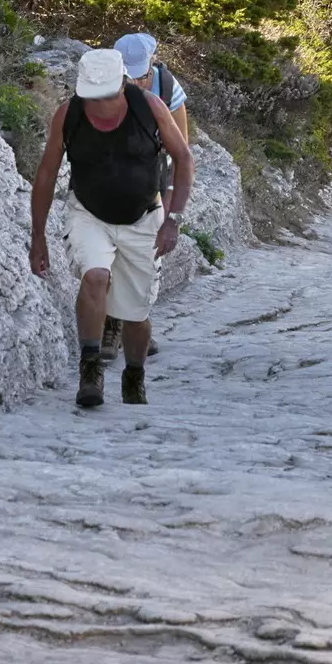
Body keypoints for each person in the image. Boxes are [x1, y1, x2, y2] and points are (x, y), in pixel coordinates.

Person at [29, 47, 193, 411]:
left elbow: (183, 158)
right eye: (93, 97)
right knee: (95, 276)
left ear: (122, 85)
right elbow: (46, 175)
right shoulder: (67, 115)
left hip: (143, 217)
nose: (100, 104)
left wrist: (173, 220)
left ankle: (134, 373)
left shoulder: (149, 108)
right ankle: (90, 370)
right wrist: (38, 236)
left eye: (107, 95)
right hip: (88, 212)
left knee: (136, 314)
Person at [103, 31, 190, 360]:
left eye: (140, 73)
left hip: (155, 178)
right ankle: (111, 330)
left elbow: (182, 146)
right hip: (112, 175)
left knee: (147, 254)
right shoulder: (104, 83)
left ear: (152, 61)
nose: (135, 80)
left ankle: (135, 322)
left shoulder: (168, 88)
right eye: (129, 73)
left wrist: (171, 197)